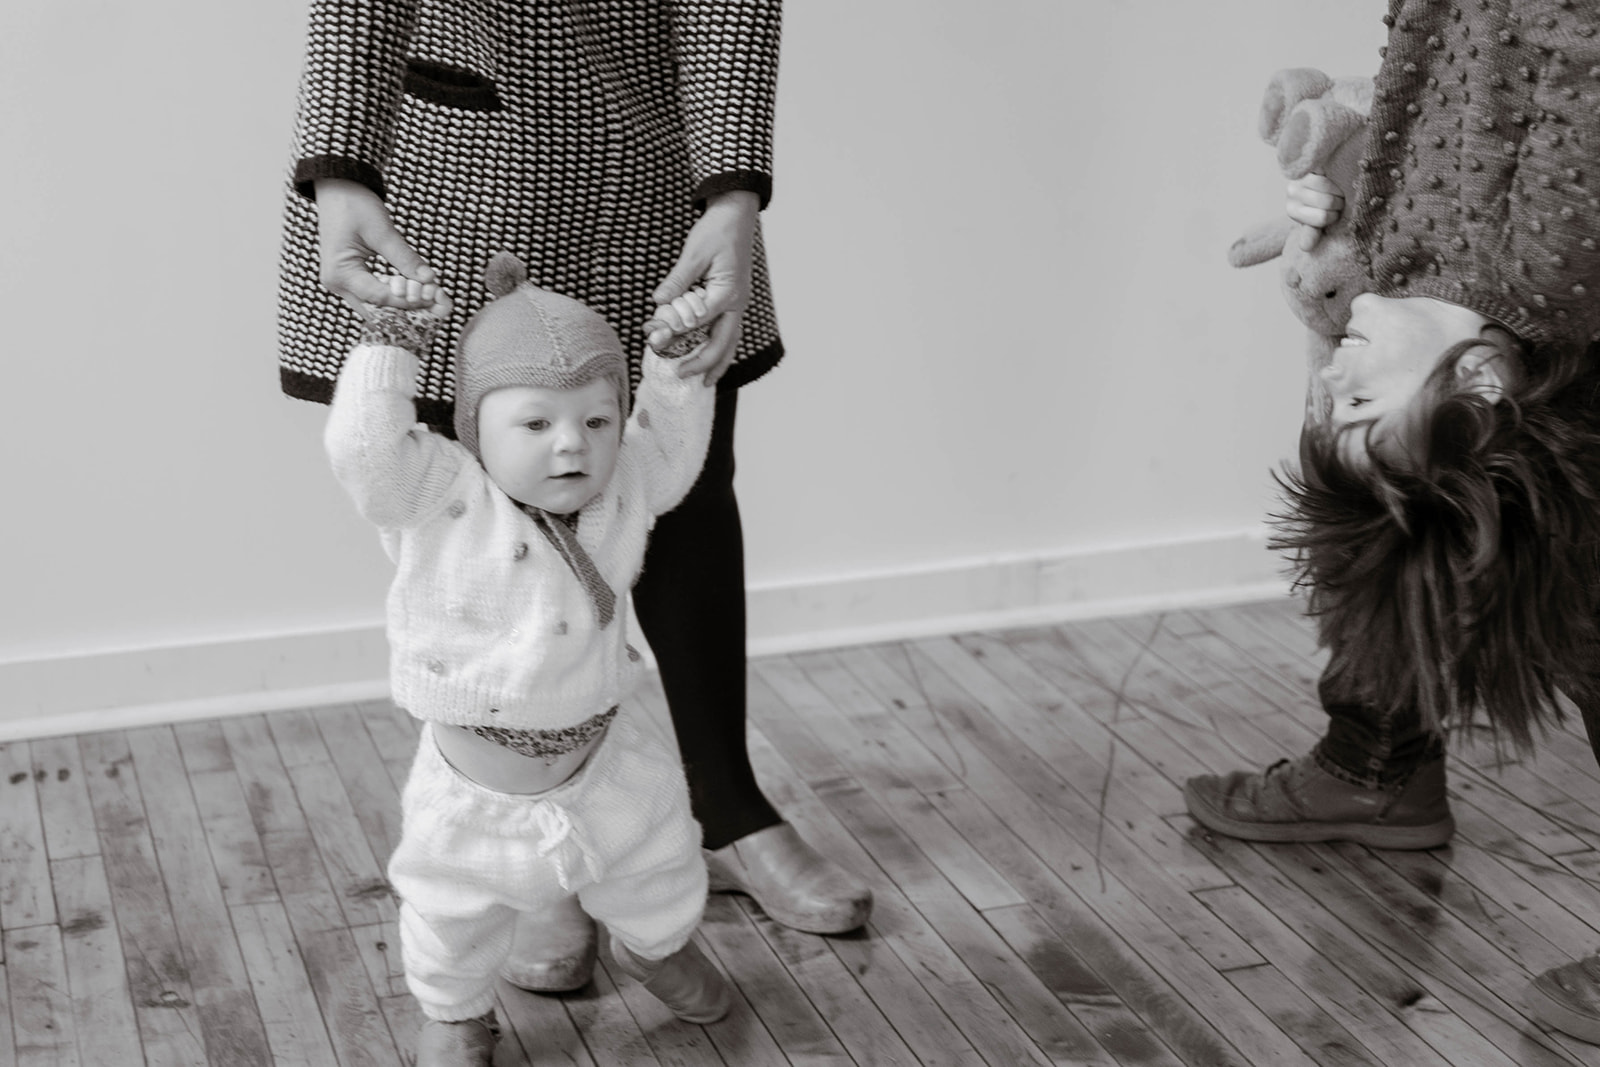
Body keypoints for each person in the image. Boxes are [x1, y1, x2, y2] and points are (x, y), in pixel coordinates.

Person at [277, 0, 872, 994]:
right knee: (472, 506)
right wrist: (342, 161)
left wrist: (731, 195)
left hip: (654, 145)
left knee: (676, 480)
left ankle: (723, 806)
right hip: (450, 139)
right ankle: (539, 856)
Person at [1181, 0, 1600, 1043]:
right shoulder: (1544, 260)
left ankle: (1375, 769)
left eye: (1346, 399)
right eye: (1367, 401)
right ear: (1482, 378)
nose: (1343, 375)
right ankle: (1373, 767)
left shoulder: (1450, 304)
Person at [327, 254, 732, 1065]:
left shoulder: (626, 485)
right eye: (536, 423)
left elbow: (675, 447)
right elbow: (364, 453)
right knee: (452, 908)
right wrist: (389, 345)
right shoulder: (437, 493)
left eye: (597, 420)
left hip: (608, 758)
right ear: (476, 426)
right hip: (474, 786)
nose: (572, 447)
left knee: (659, 859)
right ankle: (453, 1012)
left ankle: (655, 946)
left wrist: (674, 367)